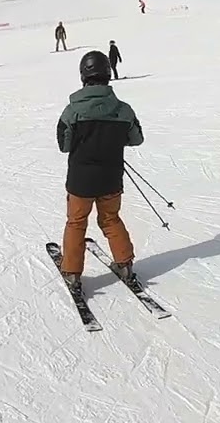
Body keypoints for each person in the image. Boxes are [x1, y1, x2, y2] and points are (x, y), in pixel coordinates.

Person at [56, 51, 144, 292]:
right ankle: (125, 264)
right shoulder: (124, 109)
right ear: (107, 74)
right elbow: (136, 139)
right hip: (111, 178)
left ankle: (73, 273)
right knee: (110, 219)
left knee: (76, 222)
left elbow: (64, 146)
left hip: (80, 182)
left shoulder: (71, 111)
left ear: (84, 76)